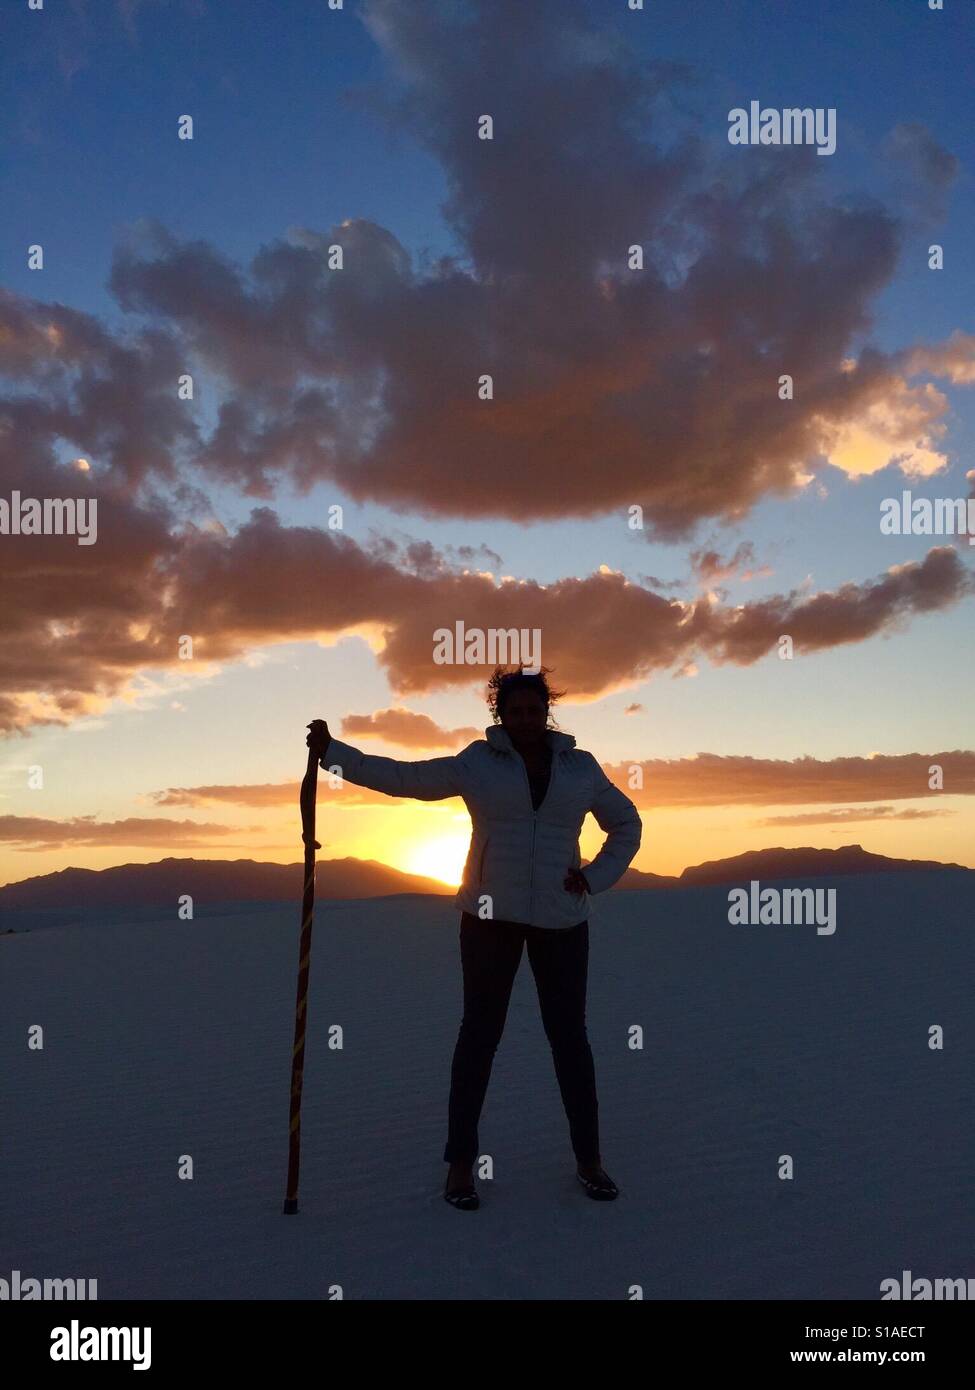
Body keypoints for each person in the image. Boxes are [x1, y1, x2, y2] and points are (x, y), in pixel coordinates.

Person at [305, 665, 642, 1210]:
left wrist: (594, 878)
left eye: (535, 709)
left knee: (570, 1043)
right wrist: (334, 755)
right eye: (516, 711)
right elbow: (406, 778)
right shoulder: (478, 764)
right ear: (501, 715)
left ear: (547, 712)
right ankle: (460, 1166)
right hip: (489, 919)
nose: (527, 719)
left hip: (562, 920)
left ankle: (589, 1161)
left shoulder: (580, 768)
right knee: (479, 1039)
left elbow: (626, 824)